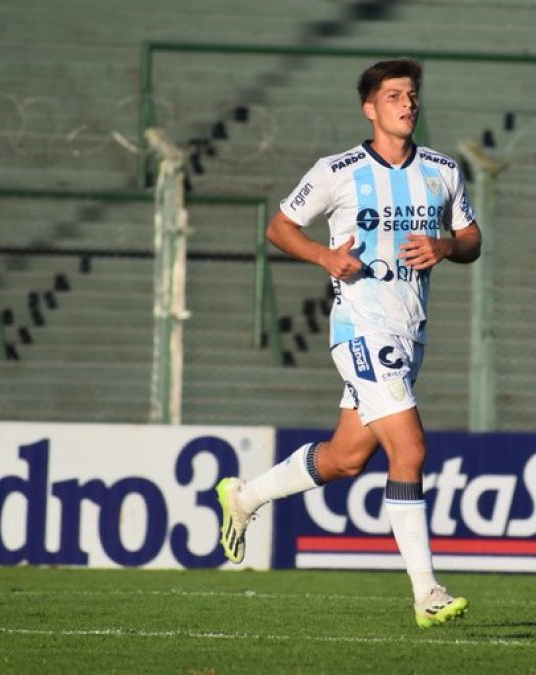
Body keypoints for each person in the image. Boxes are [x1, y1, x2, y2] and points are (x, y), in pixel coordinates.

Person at [215, 57, 481, 628]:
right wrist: (325, 256)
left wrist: (445, 247)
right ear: (371, 108)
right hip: (360, 326)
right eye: (394, 96)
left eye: (412, 95)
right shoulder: (336, 170)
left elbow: (470, 237)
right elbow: (280, 226)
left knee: (346, 458)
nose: (407, 104)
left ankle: (245, 498)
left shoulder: (442, 169)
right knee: (408, 450)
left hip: (409, 332)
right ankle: (427, 592)